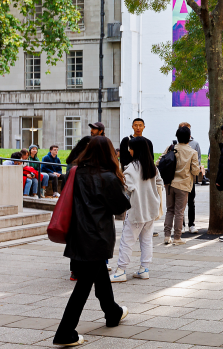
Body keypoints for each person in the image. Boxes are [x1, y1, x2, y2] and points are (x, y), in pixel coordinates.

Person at [53, 136, 130, 346]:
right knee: (83, 286)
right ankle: (64, 333)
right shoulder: (108, 177)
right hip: (97, 236)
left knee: (99, 275)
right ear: (109, 154)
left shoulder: (76, 172)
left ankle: (112, 312)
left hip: (78, 233)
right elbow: (120, 208)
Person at [111, 137, 163, 283]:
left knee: (127, 240)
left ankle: (121, 271)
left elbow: (126, 190)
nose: (129, 151)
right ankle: (144, 269)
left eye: (131, 148)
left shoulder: (131, 169)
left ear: (136, 149)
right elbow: (160, 183)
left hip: (136, 211)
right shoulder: (152, 167)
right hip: (151, 210)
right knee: (146, 240)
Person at [158, 126, 200, 245]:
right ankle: (177, 237)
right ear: (189, 137)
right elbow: (195, 171)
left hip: (169, 184)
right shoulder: (192, 152)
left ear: (177, 136)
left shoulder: (170, 148)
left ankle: (167, 236)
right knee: (179, 212)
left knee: (169, 210)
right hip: (183, 185)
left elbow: (158, 162)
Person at [179, 122, 202, 233]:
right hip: (179, 178)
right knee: (180, 203)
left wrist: (194, 171)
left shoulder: (195, 144)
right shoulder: (175, 145)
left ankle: (191, 224)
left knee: (191, 201)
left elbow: (198, 160)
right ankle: (181, 224)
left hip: (190, 178)